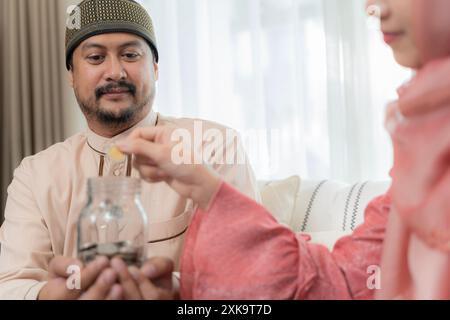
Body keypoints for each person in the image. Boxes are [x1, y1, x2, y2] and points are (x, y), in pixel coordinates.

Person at [117, 0, 450, 299]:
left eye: (130, 54)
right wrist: (181, 287)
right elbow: (340, 281)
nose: (374, 8)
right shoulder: (419, 143)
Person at [0, 0, 260, 300]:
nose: (115, 72)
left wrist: (176, 290)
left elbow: (248, 276)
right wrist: (48, 295)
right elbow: (10, 285)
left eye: (130, 55)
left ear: (156, 67)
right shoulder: (36, 174)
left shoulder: (214, 146)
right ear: (71, 74)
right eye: (96, 57)